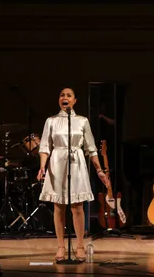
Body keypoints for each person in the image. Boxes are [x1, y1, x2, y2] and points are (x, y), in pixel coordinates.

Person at [36, 87, 110, 262]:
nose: (65, 97)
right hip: (57, 162)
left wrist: (99, 170)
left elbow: (91, 148)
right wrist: (42, 167)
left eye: (69, 95)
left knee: (77, 206)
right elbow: (45, 147)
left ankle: (79, 246)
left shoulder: (82, 121)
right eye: (62, 95)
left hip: (76, 163)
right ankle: (61, 246)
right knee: (58, 206)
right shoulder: (51, 121)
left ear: (75, 100)